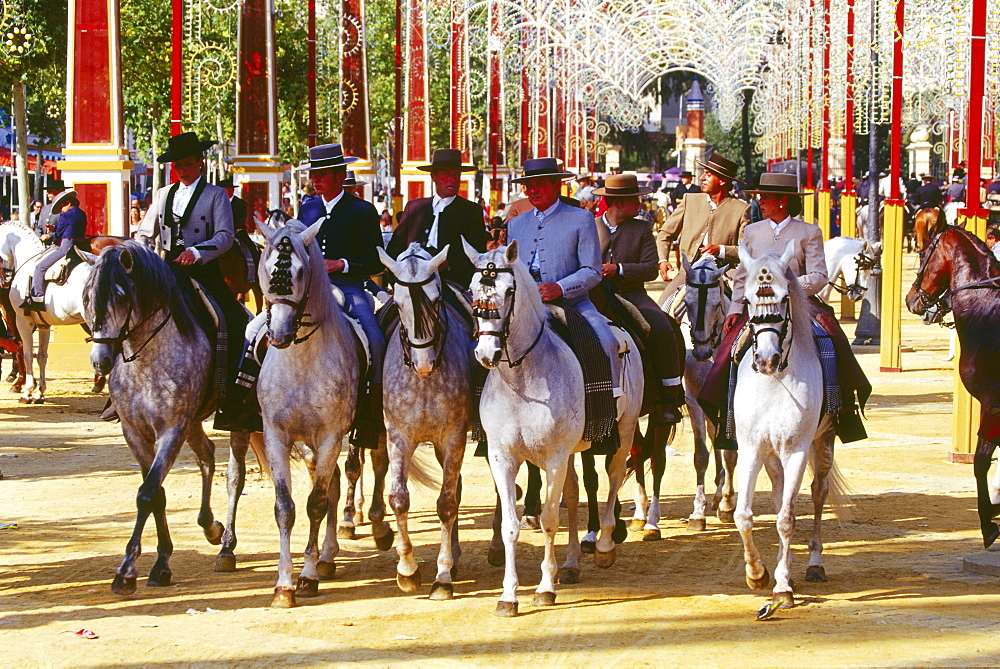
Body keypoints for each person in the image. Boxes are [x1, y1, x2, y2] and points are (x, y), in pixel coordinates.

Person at [703, 172, 869, 446]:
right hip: (758, 306)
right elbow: (743, 275)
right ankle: (727, 416)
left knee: (831, 341)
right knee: (729, 350)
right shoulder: (753, 231)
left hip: (802, 305)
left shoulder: (809, 232)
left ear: (782, 201)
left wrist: (788, 285)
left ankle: (841, 410)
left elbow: (818, 276)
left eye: (765, 197)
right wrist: (735, 307)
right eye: (759, 197)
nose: (760, 202)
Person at [135, 131, 252, 431]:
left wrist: (197, 252)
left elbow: (225, 237)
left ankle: (233, 396)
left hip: (203, 271)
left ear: (200, 162)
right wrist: (139, 254)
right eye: (178, 166)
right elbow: (146, 233)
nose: (183, 170)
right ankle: (125, 389)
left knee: (236, 322)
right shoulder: (162, 194)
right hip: (165, 272)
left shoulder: (215, 195)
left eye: (187, 163)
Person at [507, 157, 622, 401]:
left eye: (540, 184)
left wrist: (560, 288)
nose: (533, 190)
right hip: (523, 304)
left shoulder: (580, 219)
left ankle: (608, 408)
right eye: (529, 186)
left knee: (607, 341)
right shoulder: (516, 224)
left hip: (572, 303)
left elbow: (591, 270)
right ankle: (483, 418)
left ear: (556, 185)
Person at [298, 143, 385, 448]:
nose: (316, 179)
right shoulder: (307, 208)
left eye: (322, 174)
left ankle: (371, 414)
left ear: (338, 176)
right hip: (308, 291)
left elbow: (375, 261)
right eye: (313, 174)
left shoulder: (361, 210)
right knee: (259, 329)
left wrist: (342, 263)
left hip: (350, 288)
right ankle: (252, 402)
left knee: (375, 338)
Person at [592, 174, 685, 423]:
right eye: (636, 200)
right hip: (594, 295)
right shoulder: (590, 227)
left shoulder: (642, 229)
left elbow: (650, 269)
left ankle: (669, 397)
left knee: (663, 328)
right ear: (619, 203)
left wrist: (619, 269)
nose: (640, 205)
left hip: (632, 293)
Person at [386, 148, 489, 287]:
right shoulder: (415, 207)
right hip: (410, 280)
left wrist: (449, 264)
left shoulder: (471, 210)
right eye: (446, 174)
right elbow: (395, 248)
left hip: (450, 281)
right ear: (433, 176)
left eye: (456, 175)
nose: (452, 179)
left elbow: (477, 253)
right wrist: (398, 278)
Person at [654, 153, 751, 299]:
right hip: (688, 273)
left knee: (744, 308)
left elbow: (746, 250)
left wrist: (721, 250)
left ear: (723, 181)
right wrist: (663, 260)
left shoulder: (742, 209)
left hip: (724, 273)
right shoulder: (689, 200)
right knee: (662, 309)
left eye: (708, 174)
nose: (702, 178)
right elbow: (665, 234)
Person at [25, 190, 87, 309]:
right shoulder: (81, 213)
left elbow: (59, 233)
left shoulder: (65, 215)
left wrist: (53, 232)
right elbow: (69, 226)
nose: (60, 210)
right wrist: (54, 227)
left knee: (39, 267)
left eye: (61, 207)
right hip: (80, 246)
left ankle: (37, 298)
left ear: (68, 203)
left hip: (66, 246)